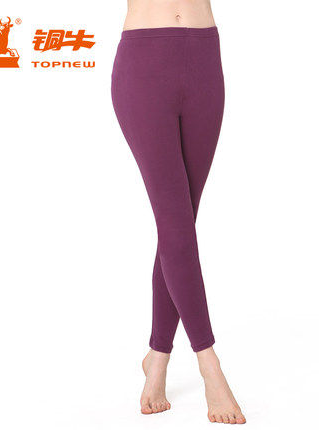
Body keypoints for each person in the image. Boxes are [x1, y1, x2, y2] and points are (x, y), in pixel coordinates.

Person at [111, 0, 246, 424]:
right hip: (145, 64)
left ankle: (157, 356)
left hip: (204, 58)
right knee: (177, 229)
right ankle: (210, 365)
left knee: (180, 227)